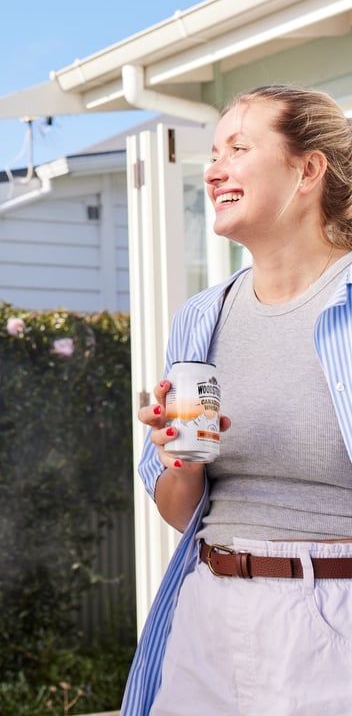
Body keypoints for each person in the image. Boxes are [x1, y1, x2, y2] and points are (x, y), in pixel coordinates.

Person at [122, 84, 352, 716]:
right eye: (214, 150)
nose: (214, 168)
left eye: (239, 147)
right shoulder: (203, 316)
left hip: (332, 621)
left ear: (308, 170)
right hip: (208, 613)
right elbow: (178, 511)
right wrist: (182, 459)